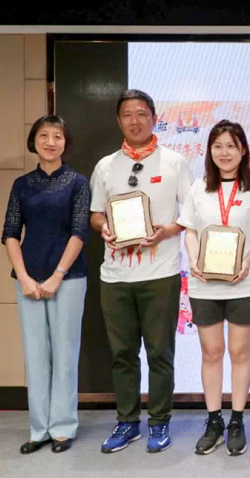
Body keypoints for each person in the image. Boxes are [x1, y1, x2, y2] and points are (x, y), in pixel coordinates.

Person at [91, 89, 193, 453]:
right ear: (119, 121)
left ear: (154, 118)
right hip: (115, 276)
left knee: (160, 352)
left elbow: (191, 213)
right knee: (122, 353)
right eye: (127, 115)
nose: (135, 121)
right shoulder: (105, 166)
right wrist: (104, 227)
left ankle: (160, 422)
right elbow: (96, 213)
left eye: (141, 114)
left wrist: (166, 231)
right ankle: (127, 422)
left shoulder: (175, 162)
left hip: (160, 272)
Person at [178, 120, 250, 456]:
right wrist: (194, 258)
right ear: (209, 151)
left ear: (243, 150)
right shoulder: (198, 188)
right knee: (211, 353)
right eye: (218, 146)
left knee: (239, 353)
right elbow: (190, 230)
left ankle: (237, 420)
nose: (224, 153)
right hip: (204, 285)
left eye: (231, 146)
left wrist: (247, 260)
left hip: (242, 284)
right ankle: (213, 421)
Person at [2, 115, 89, 455]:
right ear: (34, 141)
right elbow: (10, 233)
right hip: (28, 281)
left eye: (57, 136)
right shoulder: (22, 184)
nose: (50, 142)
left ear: (66, 142)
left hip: (69, 279)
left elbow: (79, 232)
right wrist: (23, 277)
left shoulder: (77, 182)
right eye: (43, 136)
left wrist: (57, 276)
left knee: (65, 355)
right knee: (35, 356)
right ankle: (39, 429)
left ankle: (63, 427)